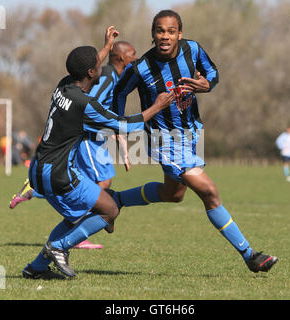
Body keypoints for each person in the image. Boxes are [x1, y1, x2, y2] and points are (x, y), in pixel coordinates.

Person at [109, 10, 277, 273]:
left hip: (191, 133)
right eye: (159, 30)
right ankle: (250, 255)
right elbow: (119, 93)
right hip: (165, 139)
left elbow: (212, 72)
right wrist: (120, 129)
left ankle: (116, 200)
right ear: (153, 34)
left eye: (170, 31)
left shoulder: (193, 49)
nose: (165, 36)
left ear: (180, 33)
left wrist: (206, 84)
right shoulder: (141, 67)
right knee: (209, 192)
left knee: (172, 194)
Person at [21, 26, 175, 279]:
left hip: (38, 168)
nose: (101, 67)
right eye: (97, 64)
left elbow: (91, 65)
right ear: (91, 73)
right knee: (109, 209)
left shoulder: (64, 85)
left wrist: (106, 45)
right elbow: (127, 125)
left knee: (78, 217)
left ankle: (36, 268)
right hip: (57, 173)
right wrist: (157, 106)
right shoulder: (86, 105)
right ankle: (58, 247)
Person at [10, 40, 139, 250]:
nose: (136, 58)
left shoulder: (85, 79)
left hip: (97, 136)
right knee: (103, 185)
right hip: (88, 136)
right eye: (133, 54)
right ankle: (80, 231)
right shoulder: (106, 78)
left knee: (90, 183)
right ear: (122, 57)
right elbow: (86, 102)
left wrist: (116, 134)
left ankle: (39, 196)